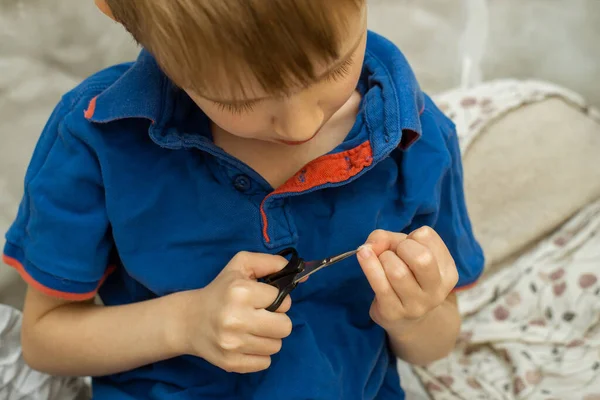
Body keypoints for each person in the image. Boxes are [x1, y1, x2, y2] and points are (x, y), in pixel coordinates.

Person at [2, 0, 484, 399]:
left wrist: (416, 316)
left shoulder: (420, 141)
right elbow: (45, 340)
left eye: (335, 66)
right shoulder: (97, 138)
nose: (301, 127)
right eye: (239, 101)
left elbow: (434, 343)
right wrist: (184, 323)